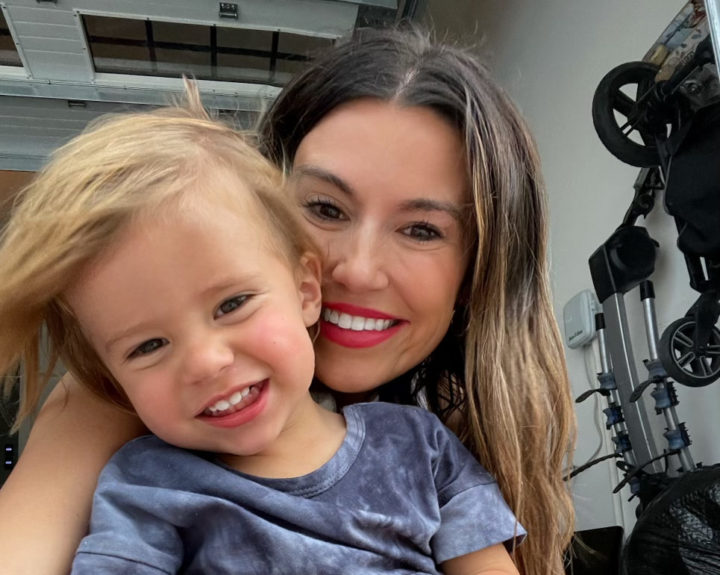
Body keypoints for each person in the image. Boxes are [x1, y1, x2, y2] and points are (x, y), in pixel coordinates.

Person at [0, 27, 576, 575]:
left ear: (477, 270)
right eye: (325, 208)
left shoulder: (434, 440)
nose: (357, 270)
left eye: (422, 230)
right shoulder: (128, 410)